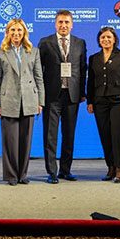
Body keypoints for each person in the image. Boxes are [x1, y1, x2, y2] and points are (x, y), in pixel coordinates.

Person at [0, 19, 45, 186]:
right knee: (10, 141)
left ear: (24, 33)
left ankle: (22, 174)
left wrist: (40, 101)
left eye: (19, 30)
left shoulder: (33, 51)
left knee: (26, 140)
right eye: (13, 30)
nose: (16, 34)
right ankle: (11, 175)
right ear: (8, 32)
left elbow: (39, 78)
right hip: (8, 100)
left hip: (29, 100)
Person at [37, 10, 87, 184]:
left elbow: (82, 69)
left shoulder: (80, 43)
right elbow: (38, 70)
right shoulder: (45, 42)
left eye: (66, 22)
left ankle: (65, 170)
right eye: (60, 22)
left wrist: (82, 93)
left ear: (72, 25)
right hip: (52, 96)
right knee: (50, 135)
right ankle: (52, 172)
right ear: (55, 24)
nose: (63, 25)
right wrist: (40, 95)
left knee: (69, 134)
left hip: (72, 95)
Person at [86, 27, 120, 183]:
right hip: (100, 102)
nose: (105, 40)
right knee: (105, 135)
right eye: (102, 37)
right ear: (99, 40)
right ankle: (111, 167)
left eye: (109, 37)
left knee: (118, 135)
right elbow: (91, 81)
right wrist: (90, 101)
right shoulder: (94, 58)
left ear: (114, 39)